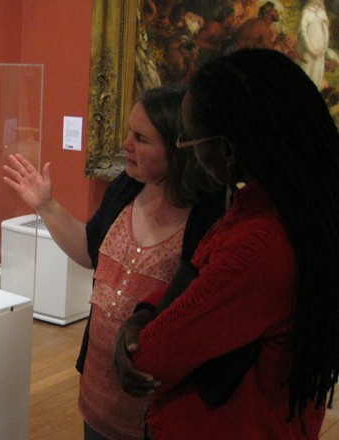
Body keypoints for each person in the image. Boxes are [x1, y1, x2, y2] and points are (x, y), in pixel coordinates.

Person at [113, 48, 339, 438]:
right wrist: (144, 312)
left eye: (190, 138)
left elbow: (152, 358)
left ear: (226, 150)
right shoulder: (285, 212)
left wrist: (135, 332)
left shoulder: (261, 245)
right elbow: (196, 284)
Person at [3, 86, 222, 440]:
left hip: (158, 408)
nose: (125, 144)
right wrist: (46, 205)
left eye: (140, 138)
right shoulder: (126, 187)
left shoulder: (208, 216)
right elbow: (90, 251)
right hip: (99, 390)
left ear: (177, 148)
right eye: (128, 133)